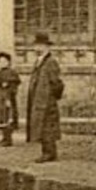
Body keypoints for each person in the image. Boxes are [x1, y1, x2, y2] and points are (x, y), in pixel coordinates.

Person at [25, 32, 64, 161]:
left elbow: (57, 83)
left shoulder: (50, 62)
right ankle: (46, 151)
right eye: (36, 45)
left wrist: (51, 98)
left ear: (47, 47)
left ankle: (49, 152)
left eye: (40, 45)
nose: (36, 48)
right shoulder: (39, 61)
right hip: (39, 99)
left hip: (47, 101)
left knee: (47, 126)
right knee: (41, 126)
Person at [0, 52, 21, 146]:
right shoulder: (0, 72)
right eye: (0, 61)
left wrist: (9, 98)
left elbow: (13, 86)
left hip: (7, 97)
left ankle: (8, 139)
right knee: (1, 117)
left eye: (4, 61)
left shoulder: (12, 73)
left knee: (8, 117)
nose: (2, 63)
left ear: (8, 62)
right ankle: (4, 137)